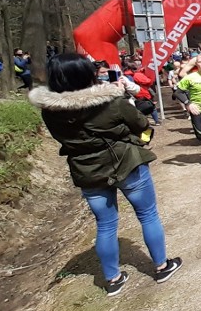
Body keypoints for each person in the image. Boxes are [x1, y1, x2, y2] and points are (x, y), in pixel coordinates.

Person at [29, 54, 181, 296]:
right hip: (126, 163)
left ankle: (113, 279)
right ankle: (162, 266)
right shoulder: (110, 101)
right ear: (87, 74)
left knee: (105, 225)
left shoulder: (49, 111)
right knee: (147, 214)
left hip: (87, 171)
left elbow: (62, 138)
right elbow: (141, 124)